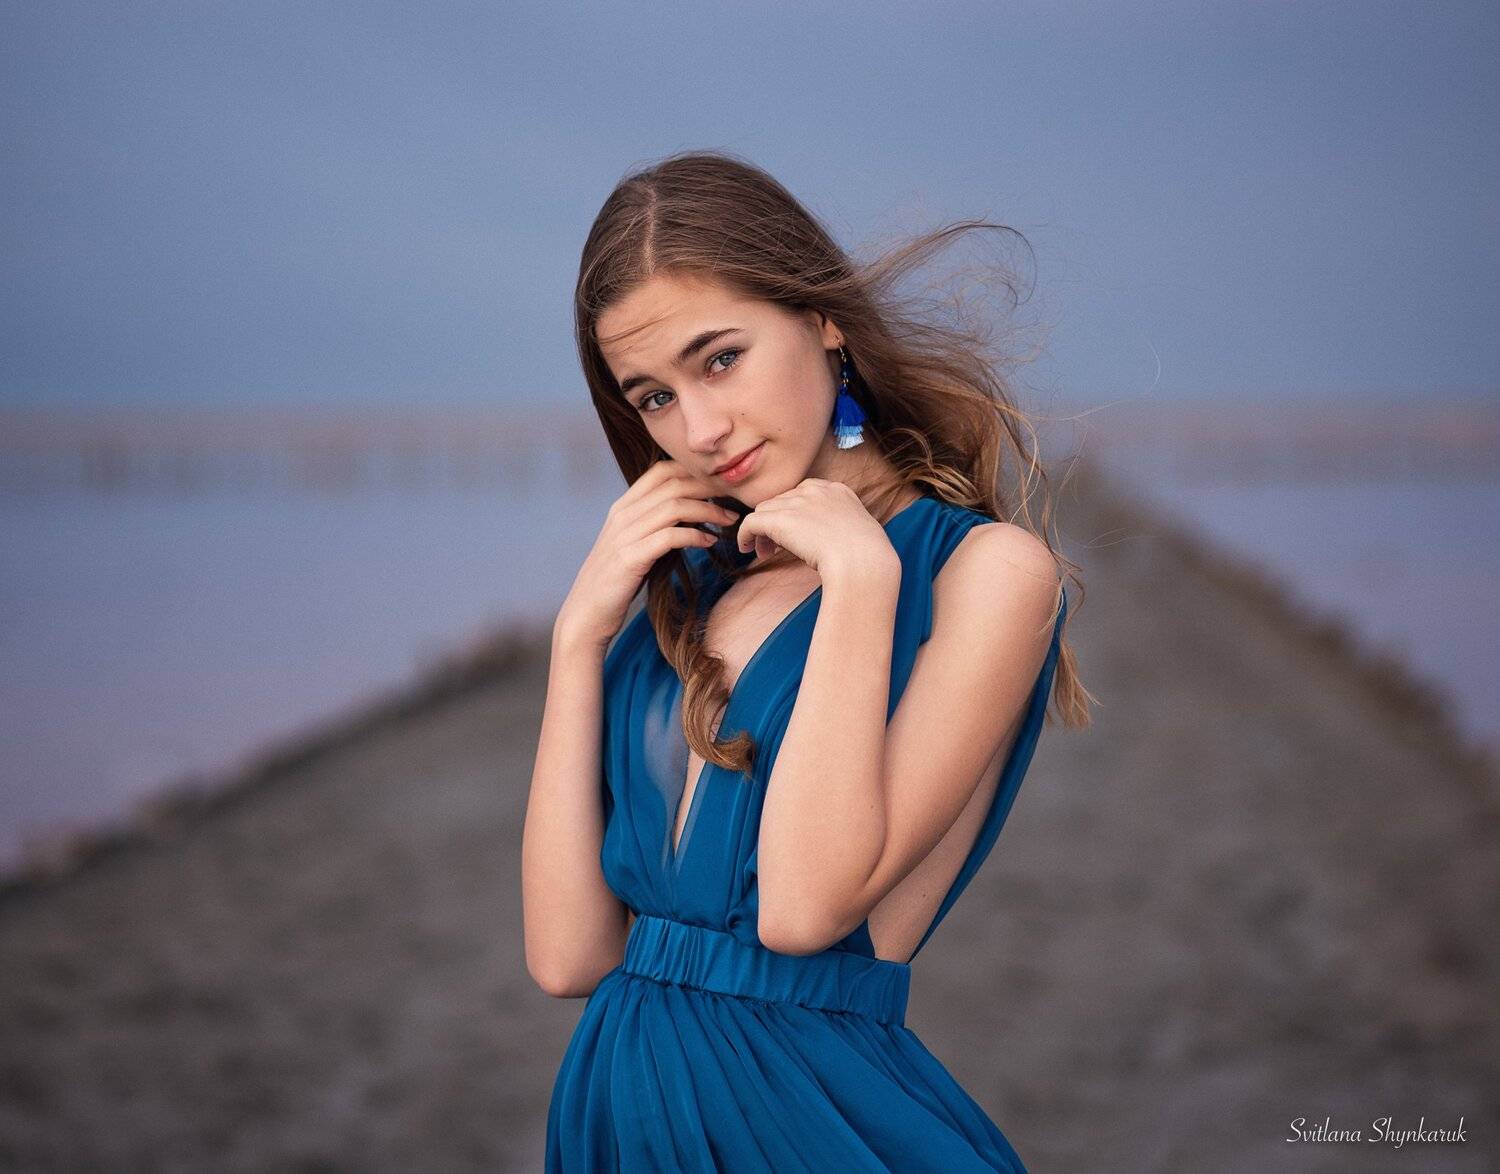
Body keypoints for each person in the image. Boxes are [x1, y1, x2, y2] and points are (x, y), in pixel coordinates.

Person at [523, 149, 1093, 1171]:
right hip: (614, 1111)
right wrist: (576, 641)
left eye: (719, 359)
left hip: (807, 1116)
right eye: (652, 397)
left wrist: (862, 582)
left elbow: (801, 910)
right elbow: (568, 957)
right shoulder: (687, 592)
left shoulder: (988, 574)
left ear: (824, 323)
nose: (700, 430)